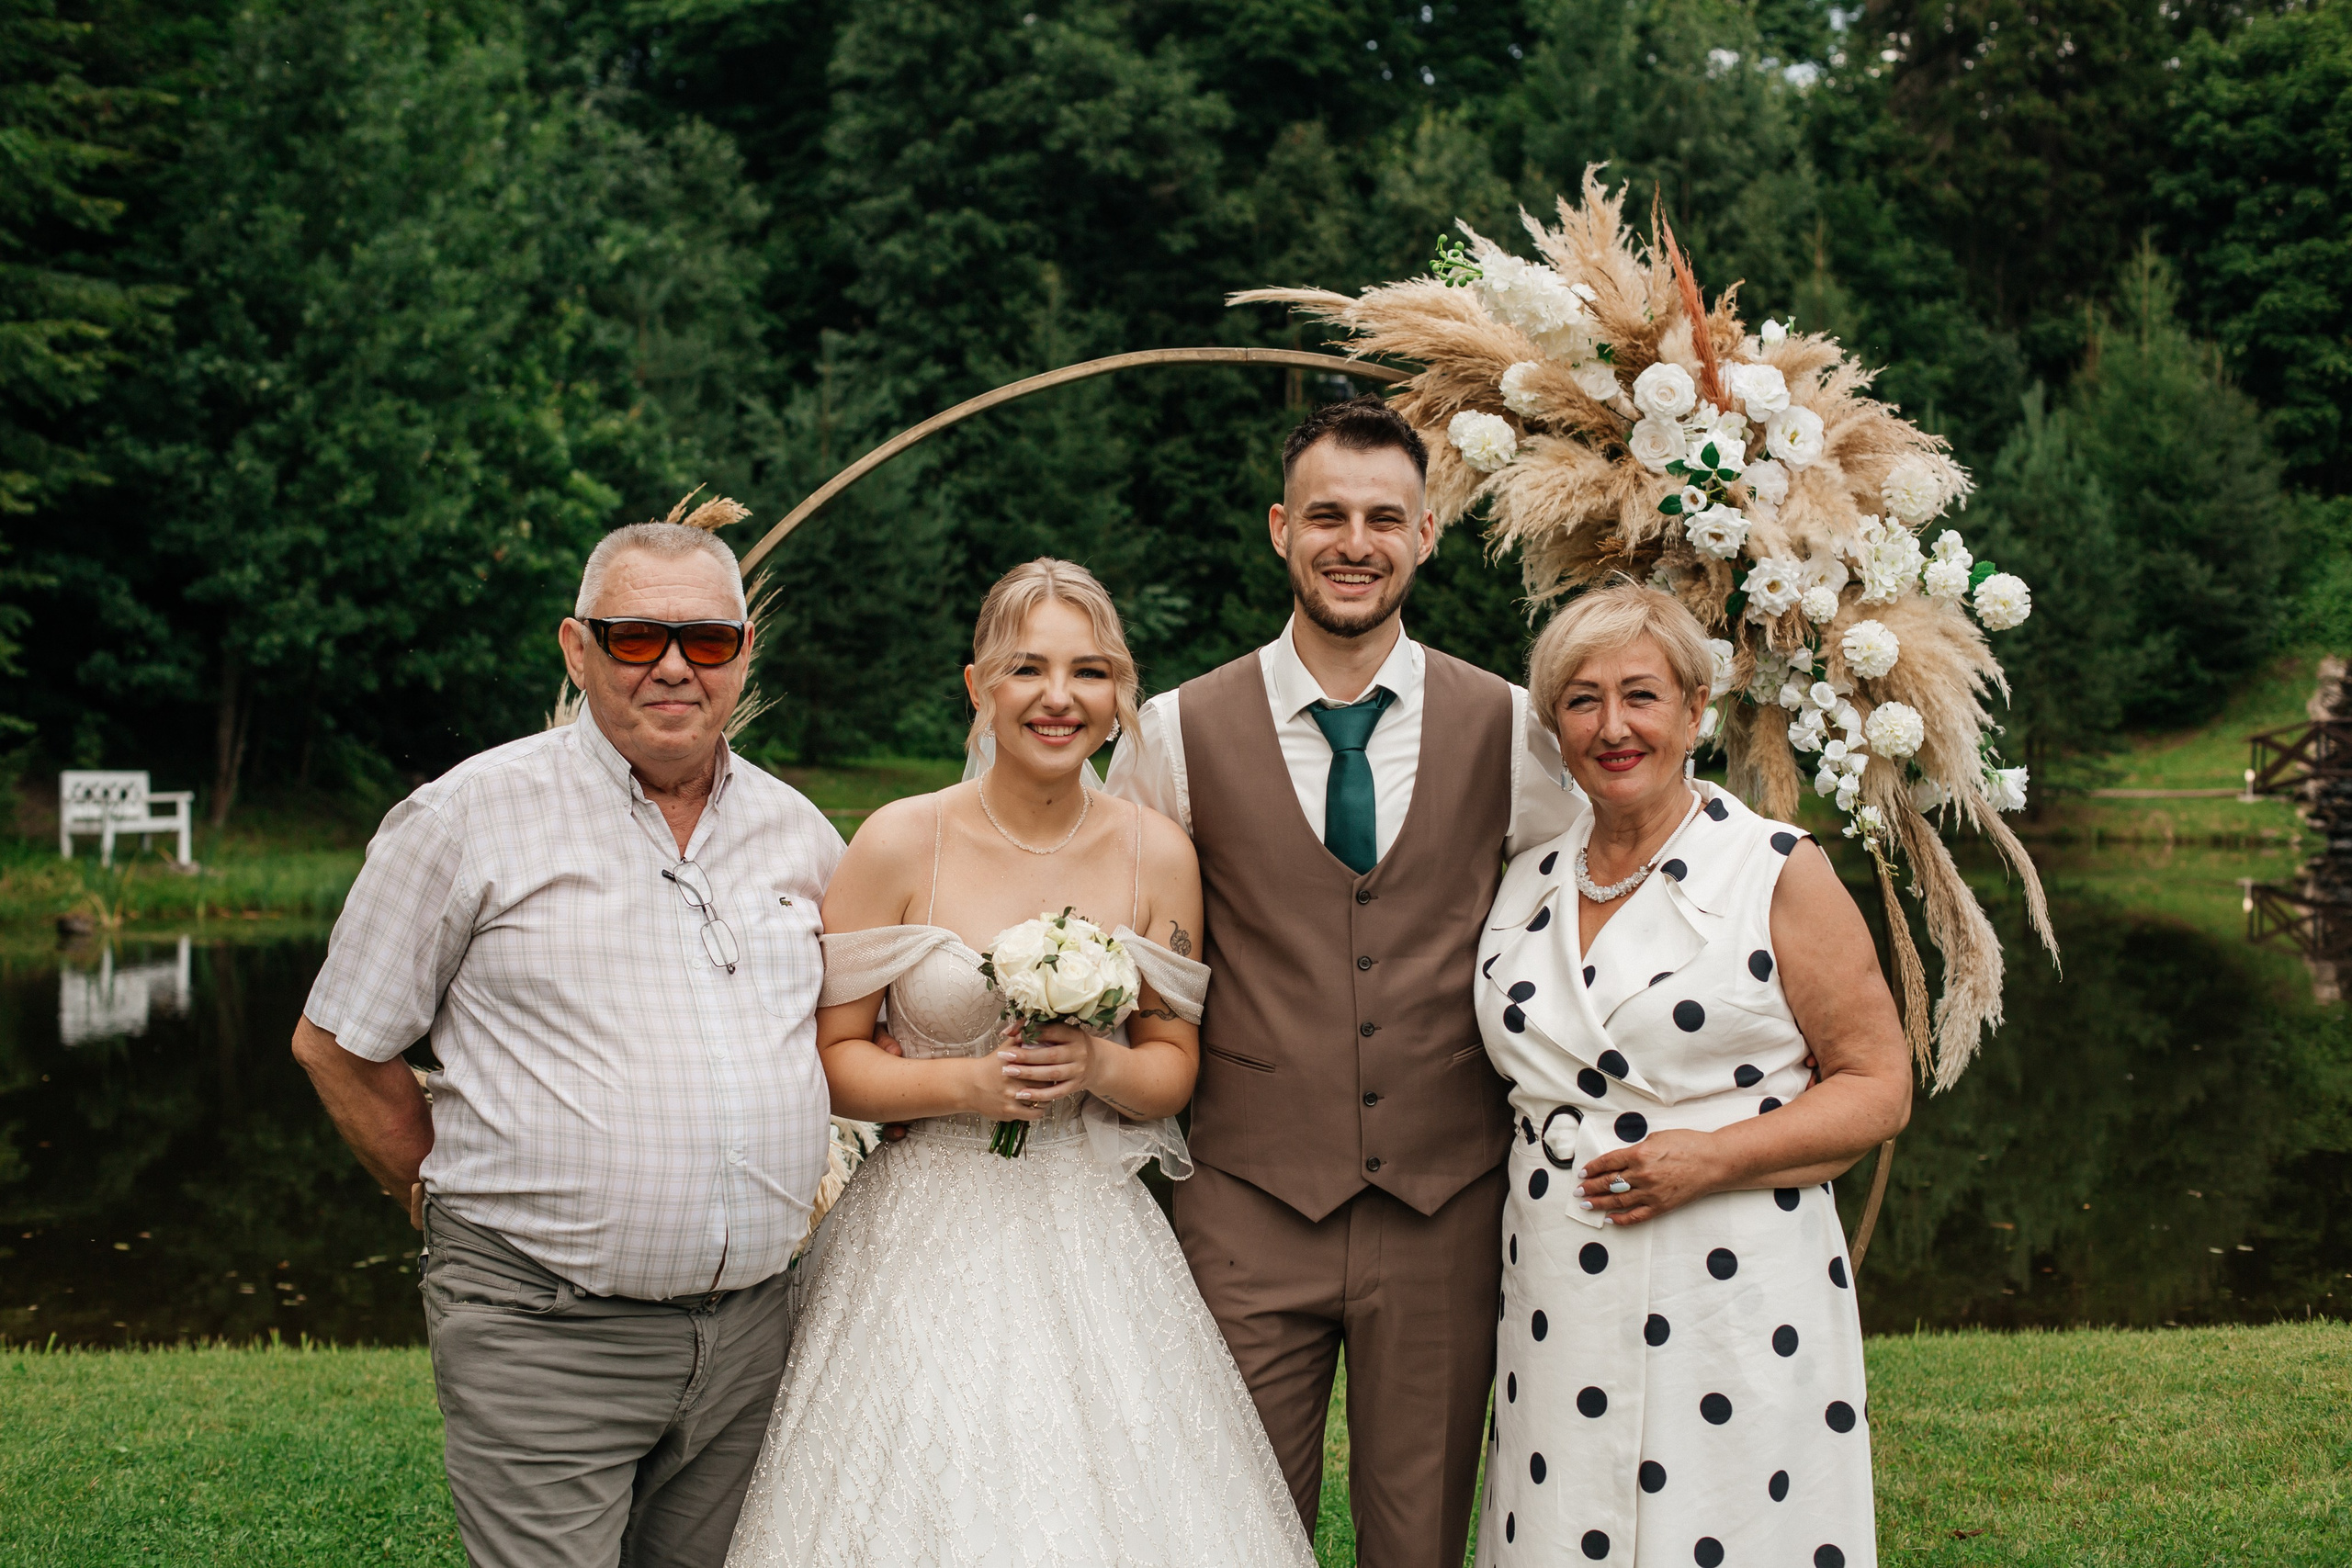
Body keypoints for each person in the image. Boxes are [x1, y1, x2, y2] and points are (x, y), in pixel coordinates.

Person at [724, 558, 1313, 1568]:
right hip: (921, 1231)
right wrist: (963, 1084)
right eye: (1026, 668)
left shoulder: (1156, 852)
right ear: (977, 687)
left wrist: (1095, 1067)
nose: (1057, 698)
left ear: (1119, 693)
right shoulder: (901, 842)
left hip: (1093, 1226)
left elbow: (1172, 1064)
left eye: (1088, 672)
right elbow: (831, 1060)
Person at [292, 511, 842, 1568]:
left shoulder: (801, 833)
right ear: (576, 648)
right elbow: (338, 1043)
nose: (674, 667)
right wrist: (436, 1195)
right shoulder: (468, 817)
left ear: (743, 652)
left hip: (752, 1342)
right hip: (540, 1328)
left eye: (707, 641)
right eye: (636, 638)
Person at [1104, 394, 1585, 1564]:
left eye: (1384, 518)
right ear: (1280, 528)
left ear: (1426, 535)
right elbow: (1121, 949)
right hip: (1242, 1201)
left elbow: (1588, 919)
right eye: (1326, 515)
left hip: (1446, 1202)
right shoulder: (1172, 732)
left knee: (1417, 1537)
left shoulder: (1516, 729)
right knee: (1227, 1527)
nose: (1353, 542)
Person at [1474, 582, 1911, 1567]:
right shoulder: (1526, 876)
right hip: (1551, 1276)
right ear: (1554, 724)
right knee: (1560, 1520)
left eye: (1641, 694)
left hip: (1729, 1275)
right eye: (1582, 700)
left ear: (1693, 709)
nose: (1613, 725)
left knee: (1724, 1524)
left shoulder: (1772, 867)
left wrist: (1713, 1158)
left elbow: (1876, 1086)